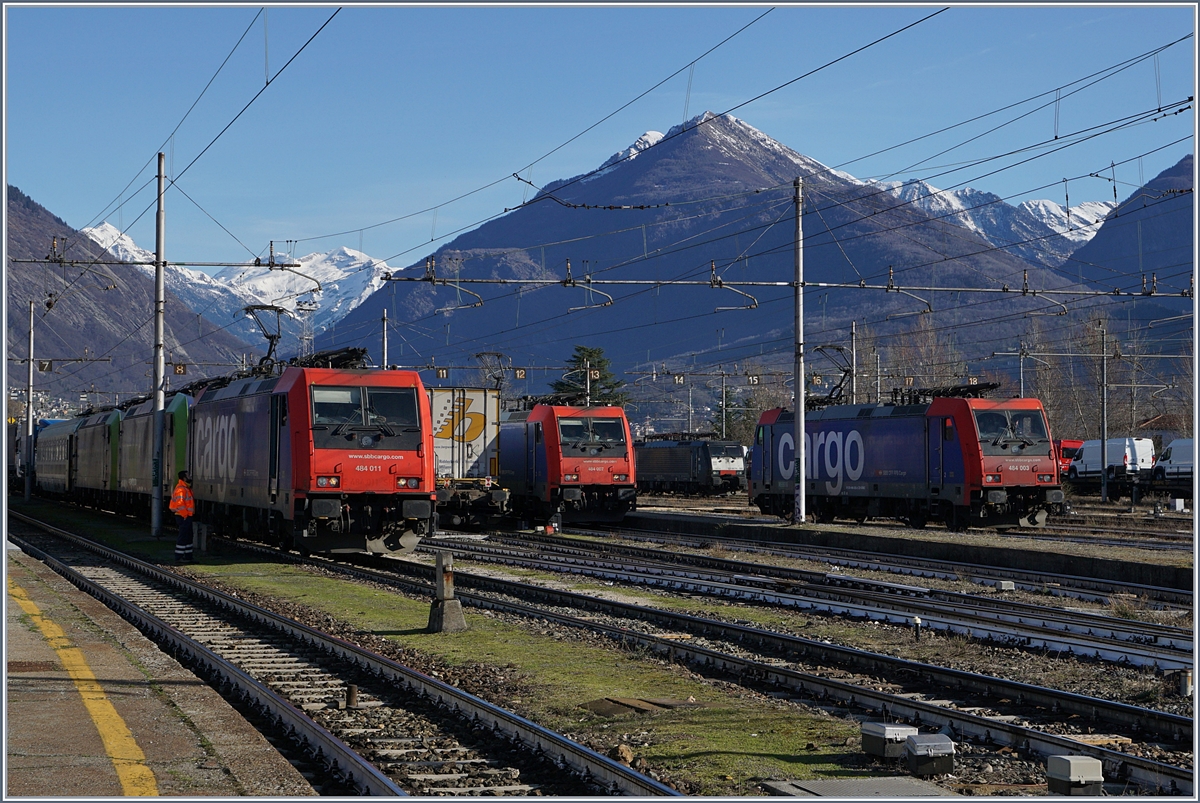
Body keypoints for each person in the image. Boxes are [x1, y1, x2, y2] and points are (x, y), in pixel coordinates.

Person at [169, 470, 195, 564]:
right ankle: (179, 557)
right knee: (183, 536)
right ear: (184, 478)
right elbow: (180, 504)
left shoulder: (185, 488)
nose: (190, 476)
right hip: (183, 516)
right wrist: (185, 515)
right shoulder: (181, 489)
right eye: (188, 475)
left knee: (188, 536)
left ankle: (188, 556)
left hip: (186, 516)